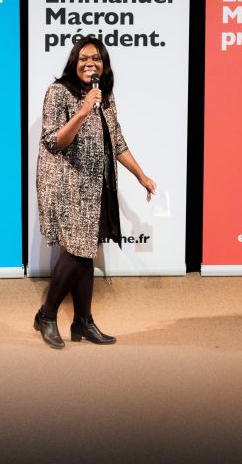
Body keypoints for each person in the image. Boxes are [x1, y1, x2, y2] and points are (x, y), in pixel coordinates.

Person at [35, 36, 156, 349]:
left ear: (104, 65)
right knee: (76, 251)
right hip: (64, 184)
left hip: (94, 185)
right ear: (74, 62)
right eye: (84, 58)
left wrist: (141, 175)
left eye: (97, 59)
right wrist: (83, 110)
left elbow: (116, 141)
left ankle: (83, 321)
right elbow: (54, 142)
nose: (90, 64)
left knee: (86, 250)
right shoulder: (58, 92)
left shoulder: (105, 95)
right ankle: (47, 315)